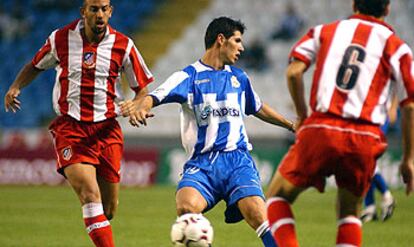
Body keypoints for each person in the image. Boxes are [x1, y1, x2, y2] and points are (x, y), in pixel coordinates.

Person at [131, 16, 295, 247]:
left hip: (237, 161)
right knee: (186, 209)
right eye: (237, 41)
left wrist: (290, 124)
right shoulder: (188, 77)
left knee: (259, 215)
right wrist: (143, 107)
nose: (242, 47)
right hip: (202, 164)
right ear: (221, 40)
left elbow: (257, 107)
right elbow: (155, 95)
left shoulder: (239, 78)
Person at [4, 0, 153, 246]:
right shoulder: (60, 38)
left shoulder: (124, 45)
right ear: (83, 11)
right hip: (71, 129)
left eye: (104, 8)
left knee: (109, 209)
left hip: (107, 130)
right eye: (94, 9)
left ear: (111, 11)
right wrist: (15, 86)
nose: (100, 14)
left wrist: (137, 106)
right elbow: (35, 65)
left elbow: (142, 91)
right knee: (89, 194)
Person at [265, 1, 414, 246]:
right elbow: (409, 104)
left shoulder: (324, 31)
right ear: (387, 9)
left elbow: (293, 72)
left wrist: (302, 114)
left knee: (276, 198)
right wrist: (408, 159)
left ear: (354, 4)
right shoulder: (398, 48)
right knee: (349, 214)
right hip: (365, 136)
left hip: (322, 127)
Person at [361, 93, 398, 223]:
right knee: (365, 161)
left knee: (367, 159)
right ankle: (370, 207)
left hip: (380, 116)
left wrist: (393, 107)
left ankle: (386, 196)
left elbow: (400, 82)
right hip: (366, 115)